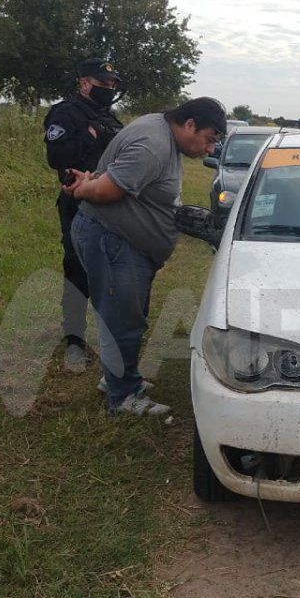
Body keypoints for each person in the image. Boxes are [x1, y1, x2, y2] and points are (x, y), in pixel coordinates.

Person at [64, 97, 227, 416]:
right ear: (190, 124)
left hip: (124, 243)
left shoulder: (160, 131)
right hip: (112, 239)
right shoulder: (153, 145)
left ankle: (118, 379)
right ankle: (123, 397)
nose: (209, 149)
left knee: (127, 315)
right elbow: (107, 190)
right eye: (209, 140)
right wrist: (81, 190)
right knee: (120, 320)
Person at [43, 58, 125, 373]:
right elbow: (56, 156)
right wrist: (89, 135)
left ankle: (112, 336)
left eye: (112, 84)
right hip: (78, 203)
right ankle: (75, 340)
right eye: (103, 83)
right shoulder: (67, 113)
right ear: (84, 83)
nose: (109, 89)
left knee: (113, 268)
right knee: (77, 269)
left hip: (111, 204)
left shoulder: (108, 116)